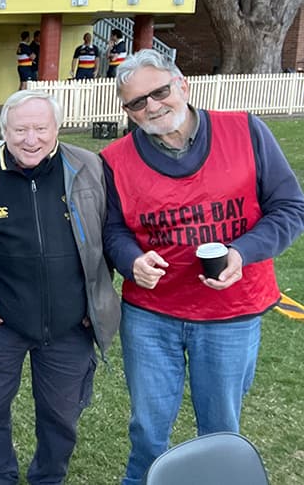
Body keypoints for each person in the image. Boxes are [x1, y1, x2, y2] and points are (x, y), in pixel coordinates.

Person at [101, 49, 304, 485]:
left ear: (182, 85)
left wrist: (242, 252)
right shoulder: (114, 159)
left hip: (231, 311)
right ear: (129, 112)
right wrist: (130, 259)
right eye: (137, 102)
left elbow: (289, 208)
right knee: (148, 429)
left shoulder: (245, 129)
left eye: (159, 92)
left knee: (220, 429)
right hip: (152, 314)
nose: (152, 106)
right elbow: (112, 230)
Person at [0, 90, 120, 485]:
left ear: (56, 127)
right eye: (20, 129)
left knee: (61, 416)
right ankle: (0, 478)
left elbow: (109, 233)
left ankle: (48, 478)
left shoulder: (89, 168)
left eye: (40, 128)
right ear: (3, 129)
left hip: (70, 325)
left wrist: (93, 297)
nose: (31, 139)